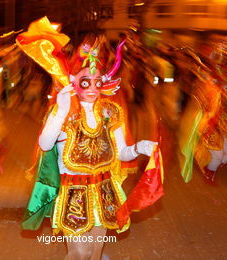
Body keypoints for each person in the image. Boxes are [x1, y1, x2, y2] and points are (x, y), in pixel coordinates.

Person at [22, 34, 157, 259]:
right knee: (78, 255)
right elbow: (45, 144)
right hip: (73, 195)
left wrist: (139, 148)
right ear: (73, 81)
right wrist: (62, 110)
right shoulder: (65, 111)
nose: (92, 87)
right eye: (85, 82)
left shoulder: (111, 112)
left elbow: (121, 153)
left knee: (94, 254)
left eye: (98, 82)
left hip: (103, 193)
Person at [194, 41, 227, 185]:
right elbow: (206, 100)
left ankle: (209, 168)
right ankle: (209, 174)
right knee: (218, 155)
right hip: (211, 122)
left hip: (224, 124)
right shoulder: (209, 79)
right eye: (223, 55)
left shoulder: (226, 77)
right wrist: (218, 90)